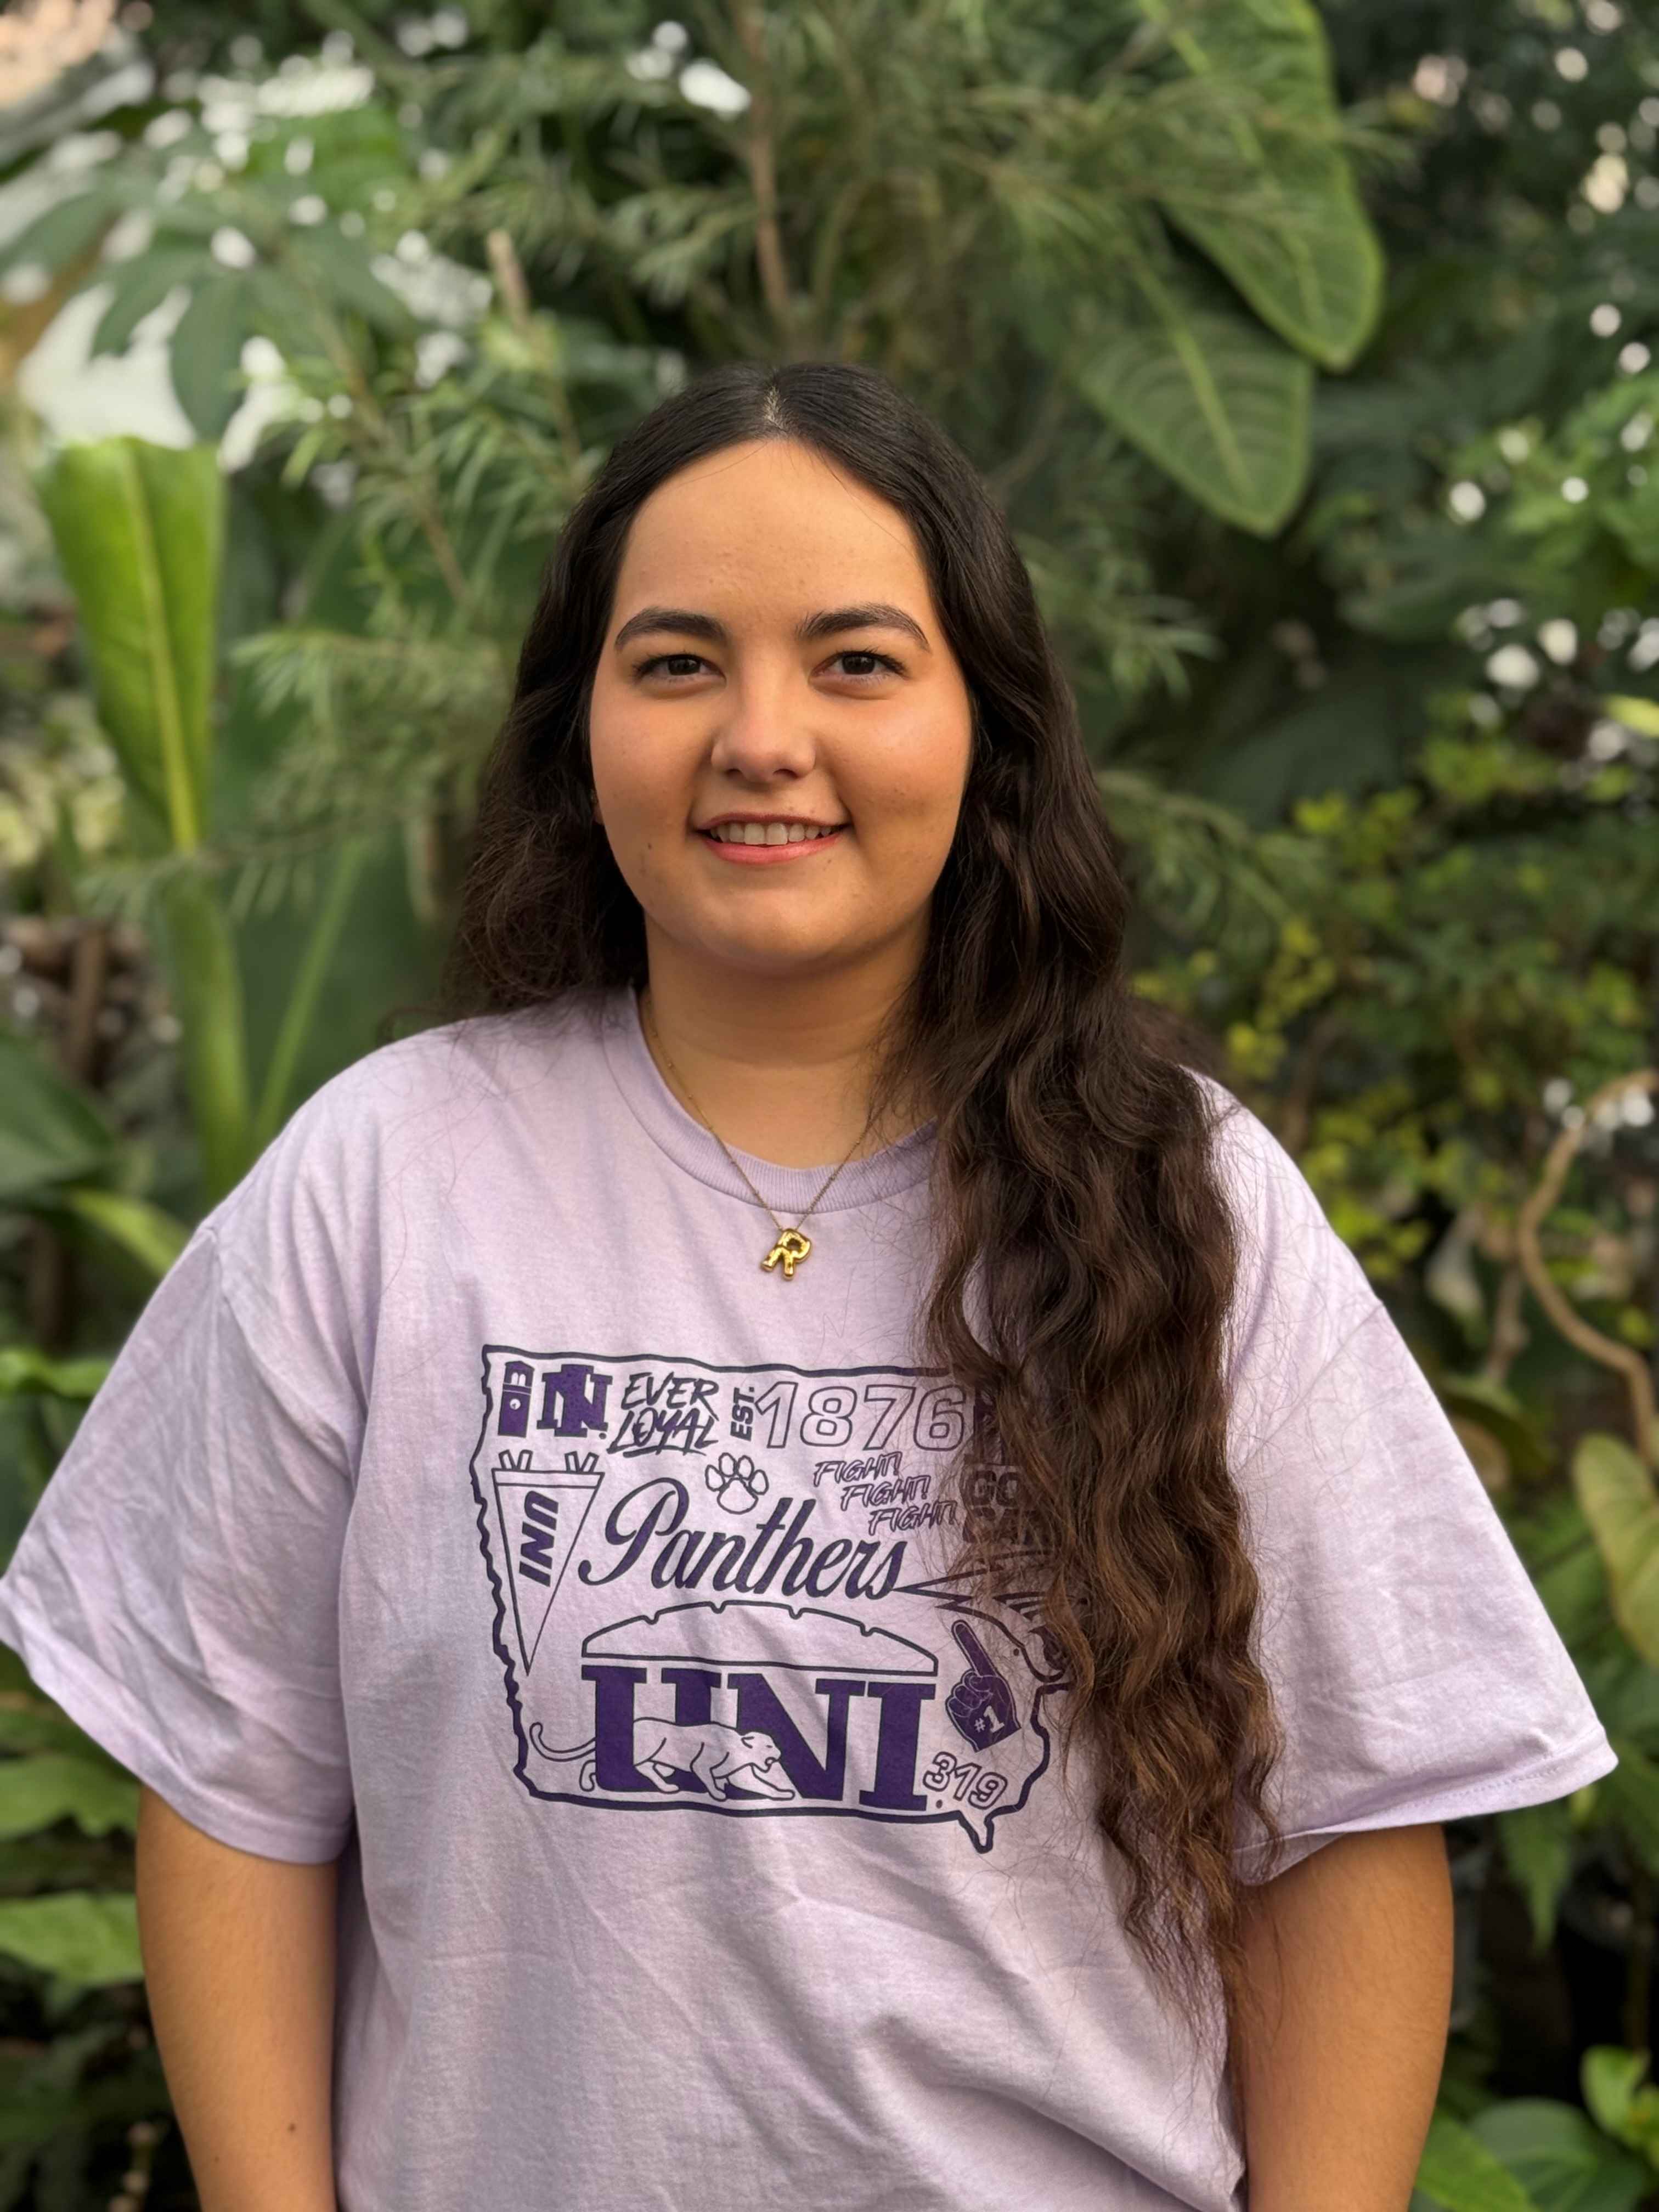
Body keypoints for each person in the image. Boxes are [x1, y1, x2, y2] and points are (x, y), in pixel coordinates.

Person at [0, 360, 1613, 2212]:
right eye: (678, 662)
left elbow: (1343, 1821)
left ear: (984, 728)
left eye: (856, 661)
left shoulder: (1194, 1203)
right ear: (580, 724)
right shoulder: (383, 1184)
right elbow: (233, 1790)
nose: (761, 738)